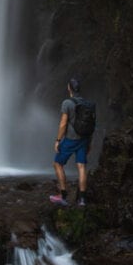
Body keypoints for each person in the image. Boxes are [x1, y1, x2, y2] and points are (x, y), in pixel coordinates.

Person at [51, 77, 92, 206]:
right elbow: (92, 124)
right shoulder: (87, 104)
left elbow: (63, 124)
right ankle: (82, 199)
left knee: (57, 164)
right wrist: (90, 142)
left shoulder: (67, 103)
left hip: (70, 139)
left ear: (69, 88)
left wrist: (58, 140)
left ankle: (63, 196)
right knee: (82, 167)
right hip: (84, 139)